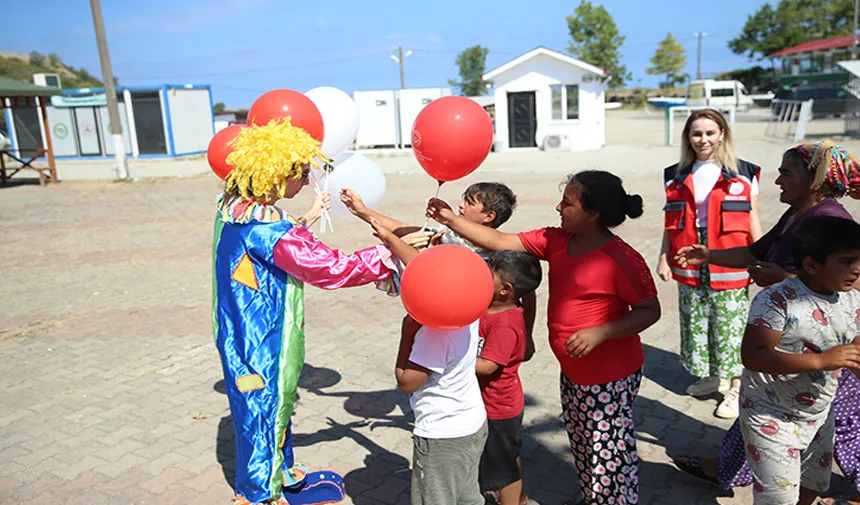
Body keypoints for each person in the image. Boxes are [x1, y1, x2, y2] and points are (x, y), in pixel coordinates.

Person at [426, 170, 662, 505]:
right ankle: (591, 498)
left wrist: (601, 331)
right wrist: (451, 218)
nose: (558, 207)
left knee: (609, 454)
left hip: (610, 377)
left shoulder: (621, 258)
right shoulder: (557, 241)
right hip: (575, 373)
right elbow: (499, 241)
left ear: (593, 214)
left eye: (567, 203)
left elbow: (649, 310)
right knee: (583, 443)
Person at [212, 120, 399, 505]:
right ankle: (260, 495)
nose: (305, 180)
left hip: (236, 333)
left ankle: (279, 473)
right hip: (263, 338)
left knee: (268, 406)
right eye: (299, 173)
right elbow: (331, 268)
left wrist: (306, 219)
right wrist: (387, 255)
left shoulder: (234, 210)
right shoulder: (271, 230)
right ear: (278, 175)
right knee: (264, 410)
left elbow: (268, 246)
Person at [671, 141, 860, 504]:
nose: (777, 180)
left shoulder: (831, 221)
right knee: (763, 421)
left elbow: (844, 280)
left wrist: (782, 280)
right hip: (786, 370)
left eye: (787, 173)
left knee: (845, 428)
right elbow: (758, 252)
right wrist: (710, 255)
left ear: (816, 179)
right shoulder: (800, 213)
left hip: (825, 354)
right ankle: (728, 471)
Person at [341, 182, 538, 361]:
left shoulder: (500, 254)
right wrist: (362, 211)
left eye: (469, 203)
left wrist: (526, 334)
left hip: (475, 330)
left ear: (489, 217)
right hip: (440, 322)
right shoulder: (448, 235)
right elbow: (403, 229)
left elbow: (527, 291)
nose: (460, 206)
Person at [739, 215, 860, 505]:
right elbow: (752, 355)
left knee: (814, 483)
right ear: (811, 265)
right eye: (845, 261)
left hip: (818, 413)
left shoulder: (852, 299)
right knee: (779, 498)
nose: (856, 270)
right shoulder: (776, 300)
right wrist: (821, 361)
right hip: (770, 414)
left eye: (859, 260)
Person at [656, 108, 763, 419]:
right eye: (696, 133)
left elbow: (752, 216)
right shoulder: (674, 174)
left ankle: (735, 385)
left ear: (722, 135)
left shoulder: (744, 172)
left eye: (710, 133)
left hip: (730, 256)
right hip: (688, 258)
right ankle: (711, 376)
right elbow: (670, 222)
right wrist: (664, 257)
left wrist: (760, 256)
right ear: (688, 137)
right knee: (697, 321)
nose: (703, 139)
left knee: (730, 324)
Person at [476, 251, 543, 505]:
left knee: (505, 467)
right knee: (503, 458)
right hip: (493, 404)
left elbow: (488, 365)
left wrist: (455, 363)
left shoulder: (504, 324)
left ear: (505, 290)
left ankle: (514, 501)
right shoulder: (495, 308)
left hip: (498, 409)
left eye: (489, 272)